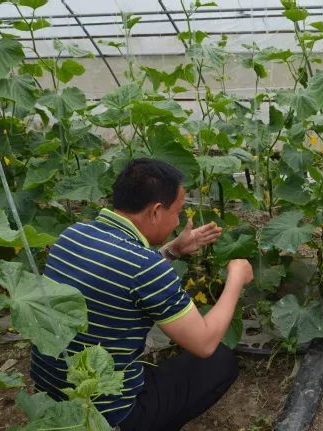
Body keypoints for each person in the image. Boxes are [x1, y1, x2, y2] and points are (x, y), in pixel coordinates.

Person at [30, 158, 253, 431]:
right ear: (157, 211)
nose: (178, 222)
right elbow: (204, 342)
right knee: (219, 361)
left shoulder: (72, 235)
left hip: (54, 397)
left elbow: (120, 273)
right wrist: (235, 279)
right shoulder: (146, 268)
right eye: (178, 212)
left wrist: (173, 250)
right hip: (106, 416)